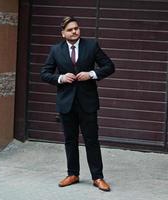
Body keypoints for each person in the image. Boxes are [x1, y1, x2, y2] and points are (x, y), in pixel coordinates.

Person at [40, 16, 115, 192]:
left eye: (76, 28)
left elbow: (109, 66)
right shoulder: (56, 50)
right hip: (66, 103)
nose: (74, 31)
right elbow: (45, 73)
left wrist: (92, 74)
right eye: (70, 29)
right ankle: (73, 174)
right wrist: (60, 78)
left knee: (92, 140)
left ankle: (98, 177)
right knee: (70, 140)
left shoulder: (91, 46)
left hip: (87, 102)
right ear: (63, 33)